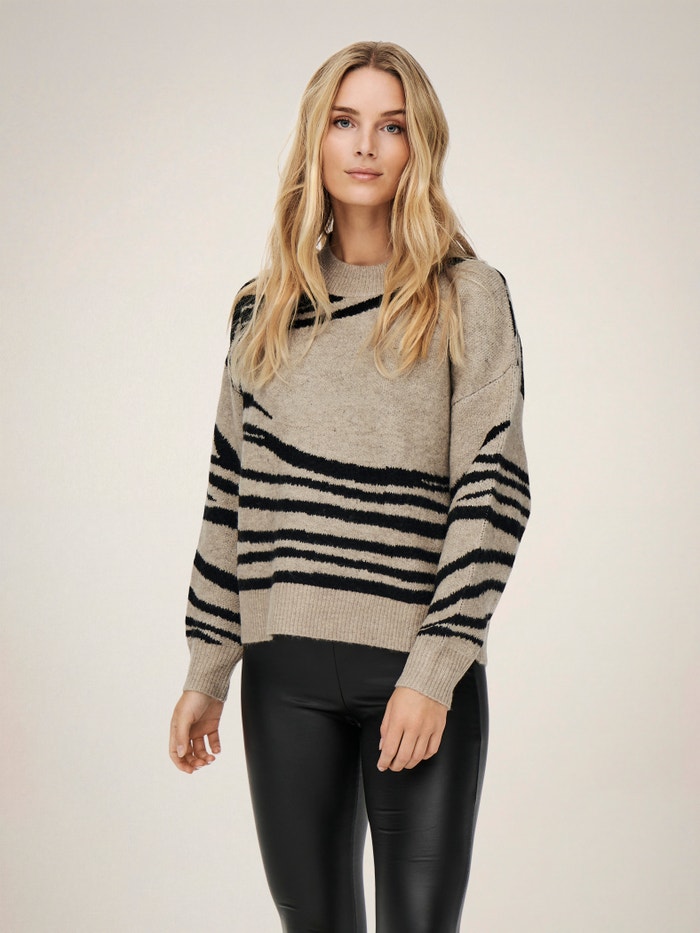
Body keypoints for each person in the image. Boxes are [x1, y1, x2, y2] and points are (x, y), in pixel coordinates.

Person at [169, 40, 530, 933]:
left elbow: (493, 490)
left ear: (419, 147)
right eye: (344, 121)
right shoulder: (261, 309)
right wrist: (208, 665)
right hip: (283, 677)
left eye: (391, 126)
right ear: (316, 139)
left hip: (416, 671)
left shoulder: (467, 296)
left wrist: (434, 672)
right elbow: (230, 491)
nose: (365, 145)